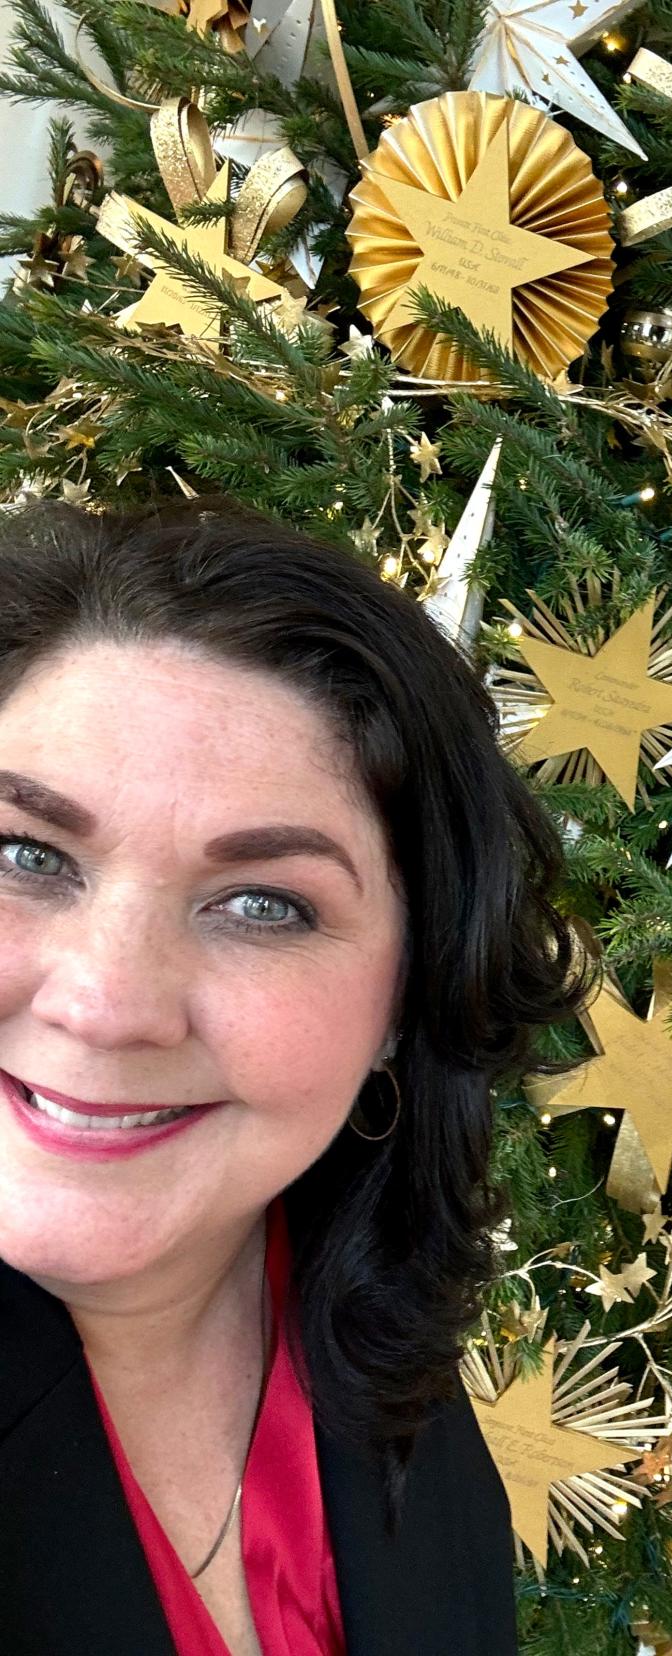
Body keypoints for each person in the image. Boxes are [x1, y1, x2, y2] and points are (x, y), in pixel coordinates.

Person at [0, 496, 600, 1654]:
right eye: (27, 855)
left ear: (405, 999)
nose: (107, 1003)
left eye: (264, 905)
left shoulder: (380, 1365)